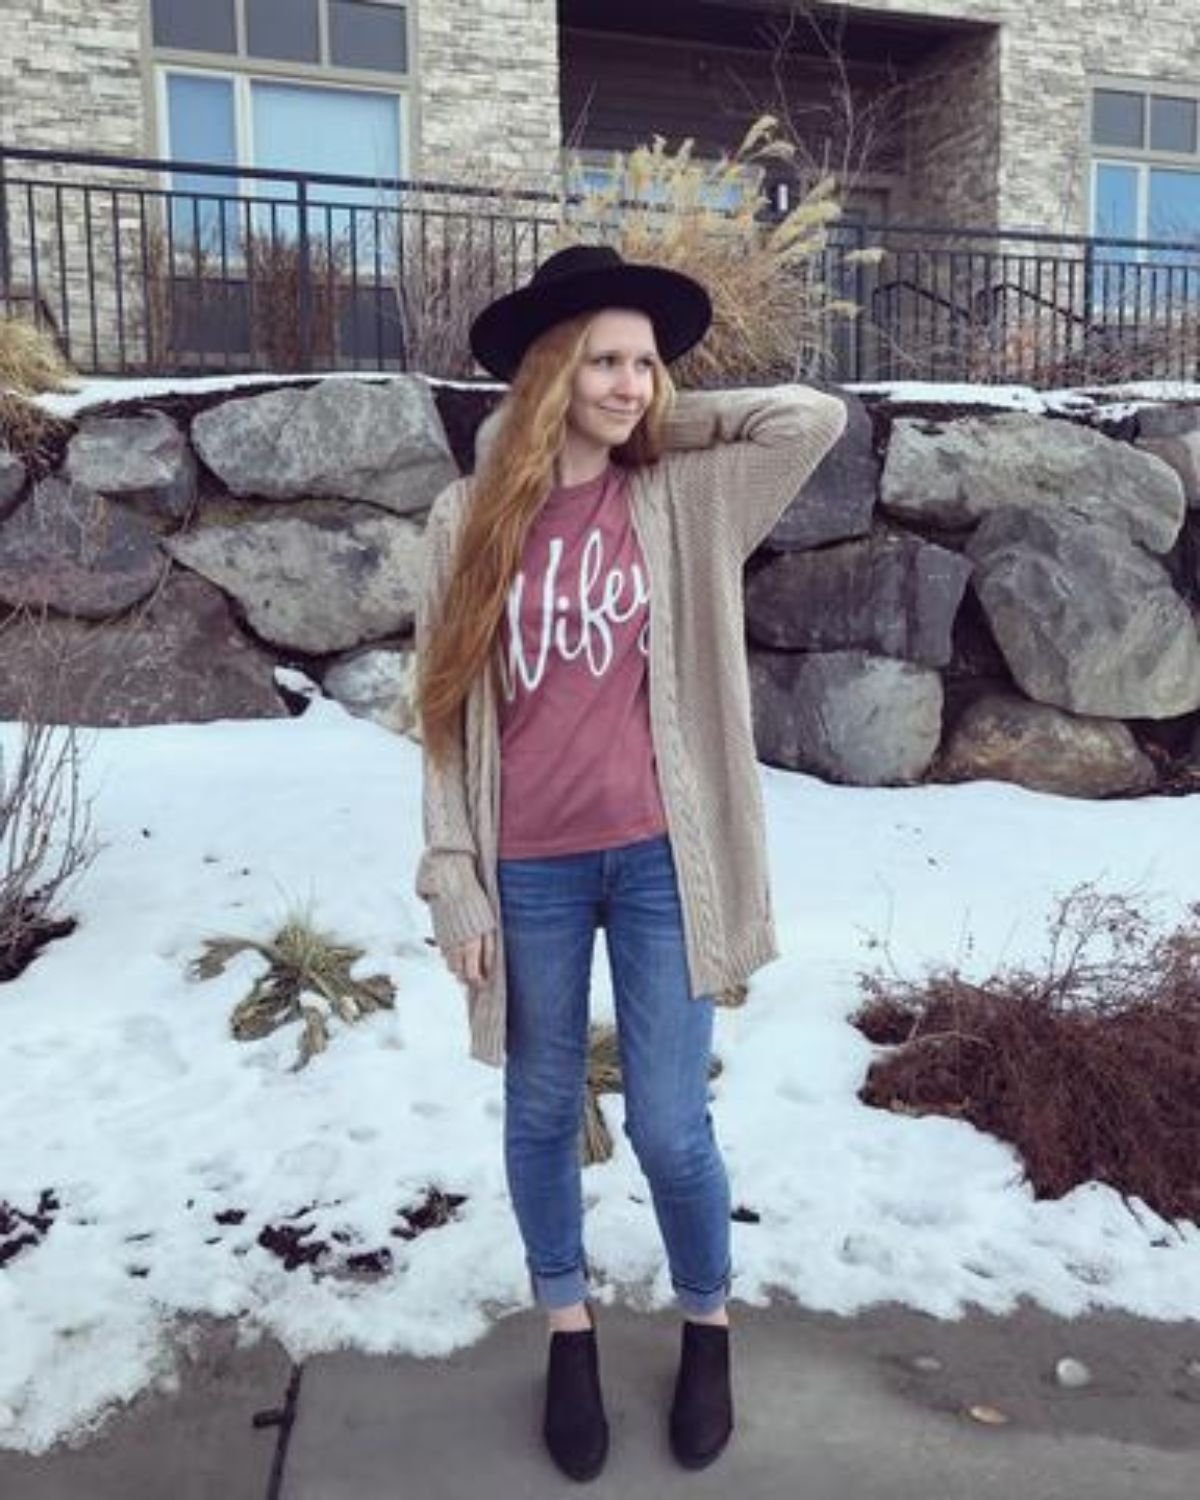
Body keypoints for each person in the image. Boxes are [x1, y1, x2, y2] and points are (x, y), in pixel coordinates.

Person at [414, 244, 846, 1481]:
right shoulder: (466, 520)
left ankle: (707, 1327)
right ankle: (569, 1332)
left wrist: (655, 416)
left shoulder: (682, 497)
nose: (627, 381)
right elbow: (441, 715)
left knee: (669, 1123)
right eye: (600, 360)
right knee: (543, 1109)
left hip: (663, 860)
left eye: (642, 363)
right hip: (529, 867)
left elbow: (808, 417)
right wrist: (453, 868)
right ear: (547, 373)